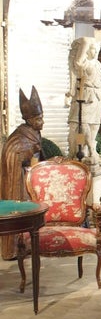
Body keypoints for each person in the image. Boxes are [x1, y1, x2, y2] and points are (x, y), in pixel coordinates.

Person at [0, 87, 45, 259]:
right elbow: (12, 154)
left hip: (28, 178)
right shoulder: (19, 136)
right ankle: (12, 248)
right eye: (39, 118)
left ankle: (27, 242)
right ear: (30, 119)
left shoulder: (34, 133)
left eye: (42, 118)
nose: (42, 122)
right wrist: (29, 152)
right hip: (17, 182)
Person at [66, 36, 101, 164]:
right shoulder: (83, 63)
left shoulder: (98, 64)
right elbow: (78, 61)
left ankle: (90, 150)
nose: (95, 52)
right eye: (93, 49)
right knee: (83, 123)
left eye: (96, 50)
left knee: (95, 124)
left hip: (97, 97)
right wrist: (86, 42)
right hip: (85, 96)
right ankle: (88, 149)